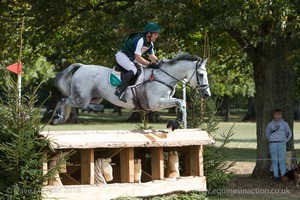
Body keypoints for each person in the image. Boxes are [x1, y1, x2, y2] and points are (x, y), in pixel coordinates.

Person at [114, 22, 161, 102]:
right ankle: (120, 90)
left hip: (131, 58)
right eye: (155, 34)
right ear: (149, 34)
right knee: (134, 70)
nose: (157, 36)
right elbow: (138, 58)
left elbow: (151, 56)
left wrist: (160, 63)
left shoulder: (150, 44)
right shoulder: (140, 40)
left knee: (144, 71)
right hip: (122, 55)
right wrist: (150, 64)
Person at [266, 108, 292, 181]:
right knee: (274, 160)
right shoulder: (270, 125)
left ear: (281, 115)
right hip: (273, 144)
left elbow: (289, 134)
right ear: (273, 116)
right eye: (275, 115)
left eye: (278, 115)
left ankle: (284, 175)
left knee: (281, 160)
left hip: (282, 144)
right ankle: (276, 175)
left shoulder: (284, 124)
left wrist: (284, 141)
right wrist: (272, 140)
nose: (277, 116)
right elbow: (267, 134)